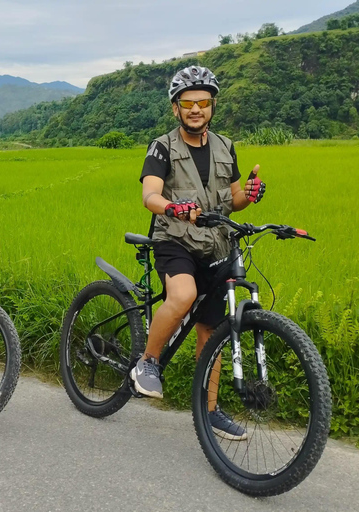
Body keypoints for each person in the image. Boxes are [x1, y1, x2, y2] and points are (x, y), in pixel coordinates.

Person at [134, 66, 266, 440]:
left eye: (203, 102)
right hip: (174, 240)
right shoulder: (162, 146)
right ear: (176, 108)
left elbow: (234, 200)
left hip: (216, 244)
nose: (196, 109)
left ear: (212, 106)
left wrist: (250, 194)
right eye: (188, 102)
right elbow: (150, 195)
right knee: (184, 294)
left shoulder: (226, 146)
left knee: (212, 329)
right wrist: (172, 207)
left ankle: (209, 412)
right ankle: (148, 362)